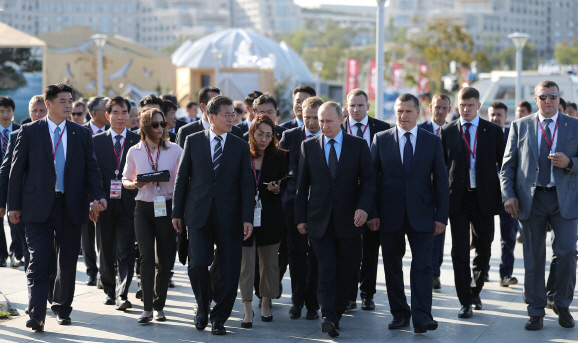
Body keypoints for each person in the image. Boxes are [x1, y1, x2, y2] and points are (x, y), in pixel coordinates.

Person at [8, 83, 107, 331]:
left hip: (71, 205)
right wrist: (13, 205)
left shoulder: (80, 134)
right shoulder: (30, 131)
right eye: (62, 101)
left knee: (67, 262)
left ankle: (62, 308)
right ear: (49, 104)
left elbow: (91, 168)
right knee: (38, 261)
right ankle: (37, 313)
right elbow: (16, 171)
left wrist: (98, 196)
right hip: (37, 206)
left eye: (70, 100)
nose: (68, 105)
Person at [172, 95, 254, 335]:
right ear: (211, 116)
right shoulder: (194, 140)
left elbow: (247, 184)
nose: (232, 119)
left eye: (233, 114)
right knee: (197, 265)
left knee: (229, 269)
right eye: (227, 115)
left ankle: (219, 318)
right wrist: (177, 212)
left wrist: (247, 217)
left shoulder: (239, 145)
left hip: (230, 216)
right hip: (198, 213)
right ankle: (202, 306)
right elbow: (182, 178)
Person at [367, 93, 449, 334]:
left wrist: (440, 217)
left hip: (422, 215)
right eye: (399, 111)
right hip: (388, 214)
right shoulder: (381, 139)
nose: (403, 116)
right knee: (392, 266)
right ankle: (400, 313)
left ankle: (422, 317)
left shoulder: (431, 141)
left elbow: (441, 182)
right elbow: (371, 179)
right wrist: (371, 212)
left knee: (423, 266)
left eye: (408, 111)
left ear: (418, 113)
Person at [501, 80, 578, 330]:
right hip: (531, 201)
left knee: (566, 253)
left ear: (559, 99)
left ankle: (562, 304)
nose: (548, 101)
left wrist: (570, 163)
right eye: (543, 97)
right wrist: (508, 195)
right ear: (536, 100)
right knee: (534, 257)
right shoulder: (520, 125)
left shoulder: (574, 126)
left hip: (564, 200)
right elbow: (508, 166)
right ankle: (535, 311)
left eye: (553, 96)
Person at [295, 101, 375, 337]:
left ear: (342, 120)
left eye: (329, 121)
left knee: (346, 270)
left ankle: (336, 312)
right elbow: (302, 186)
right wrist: (301, 218)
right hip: (319, 220)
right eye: (321, 121)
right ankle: (328, 315)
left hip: (350, 220)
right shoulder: (308, 146)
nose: (324, 125)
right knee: (326, 267)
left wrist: (364, 209)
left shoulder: (358, 146)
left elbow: (370, 181)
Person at [439, 87, 505, 319]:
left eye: (470, 105)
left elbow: (505, 165)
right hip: (457, 199)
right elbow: (440, 169)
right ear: (457, 106)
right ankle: (464, 300)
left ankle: (475, 289)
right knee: (459, 251)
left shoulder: (493, 131)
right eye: (462, 105)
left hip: (484, 197)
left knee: (485, 246)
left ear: (479, 106)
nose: (465, 109)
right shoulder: (447, 132)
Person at [122, 108, 183, 324]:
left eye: (163, 124)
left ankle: (160, 306)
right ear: (145, 126)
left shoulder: (175, 150)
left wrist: (179, 209)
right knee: (146, 256)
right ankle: (147, 307)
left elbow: (182, 181)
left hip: (166, 207)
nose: (160, 128)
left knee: (164, 261)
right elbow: (125, 179)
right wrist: (135, 183)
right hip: (143, 208)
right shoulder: (134, 151)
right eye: (155, 124)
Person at [341, 88, 390, 311]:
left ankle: (367, 294)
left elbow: (383, 174)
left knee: (370, 250)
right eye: (352, 105)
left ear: (368, 106)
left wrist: (373, 210)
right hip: (344, 201)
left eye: (360, 105)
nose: (356, 109)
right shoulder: (338, 128)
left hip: (373, 200)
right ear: (346, 107)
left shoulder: (382, 129)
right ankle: (349, 294)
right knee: (349, 251)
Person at [239, 114, 288, 328]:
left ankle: (266, 302)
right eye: (260, 134)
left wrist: (278, 188)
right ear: (252, 132)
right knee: (246, 265)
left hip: (270, 216)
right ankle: (247, 309)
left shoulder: (280, 156)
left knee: (269, 263)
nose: (264, 139)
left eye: (269, 135)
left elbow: (287, 183)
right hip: (244, 217)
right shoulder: (241, 153)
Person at [93, 96, 140, 311]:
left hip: (130, 203)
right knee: (105, 249)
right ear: (107, 115)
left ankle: (122, 293)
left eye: (124, 113)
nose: (120, 117)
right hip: (104, 203)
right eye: (116, 113)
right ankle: (109, 290)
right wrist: (93, 199)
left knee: (126, 250)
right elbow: (91, 174)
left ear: (130, 116)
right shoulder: (96, 141)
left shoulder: (137, 141)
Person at [279, 96, 323, 320]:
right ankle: (296, 301)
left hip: (320, 207)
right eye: (307, 118)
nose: (312, 122)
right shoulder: (290, 136)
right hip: (293, 206)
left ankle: (313, 303)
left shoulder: (329, 138)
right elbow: (281, 170)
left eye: (316, 118)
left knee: (316, 255)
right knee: (296, 254)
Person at [418, 94, 450, 290]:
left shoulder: (453, 131)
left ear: (448, 109)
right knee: (427, 234)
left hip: (445, 189)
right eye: (436, 107)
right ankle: (430, 272)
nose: (439, 111)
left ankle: (435, 271)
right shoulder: (420, 130)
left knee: (440, 231)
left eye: (443, 108)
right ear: (430, 107)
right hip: (423, 190)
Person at [487, 101, 519, 287]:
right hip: (488, 194)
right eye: (492, 114)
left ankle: (506, 274)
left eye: (499, 115)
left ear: (505, 117)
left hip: (508, 193)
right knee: (484, 236)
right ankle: (482, 272)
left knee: (508, 235)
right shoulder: (484, 134)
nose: (495, 118)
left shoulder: (513, 134)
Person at [82, 96, 111, 287]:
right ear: (95, 114)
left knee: (104, 235)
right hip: (83, 192)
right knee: (86, 234)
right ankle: (91, 271)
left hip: (107, 193)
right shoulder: (80, 131)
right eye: (106, 109)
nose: (111, 113)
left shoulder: (114, 132)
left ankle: (104, 272)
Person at [176, 87, 243, 148]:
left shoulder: (235, 132)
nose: (221, 106)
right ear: (203, 107)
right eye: (216, 103)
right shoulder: (186, 132)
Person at [0, 96, 21, 268]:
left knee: (16, 217)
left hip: (16, 182)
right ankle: (1, 255)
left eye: (8, 111)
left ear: (13, 112)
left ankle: (16, 254)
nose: (5, 114)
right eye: (1, 111)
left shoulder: (22, 131)